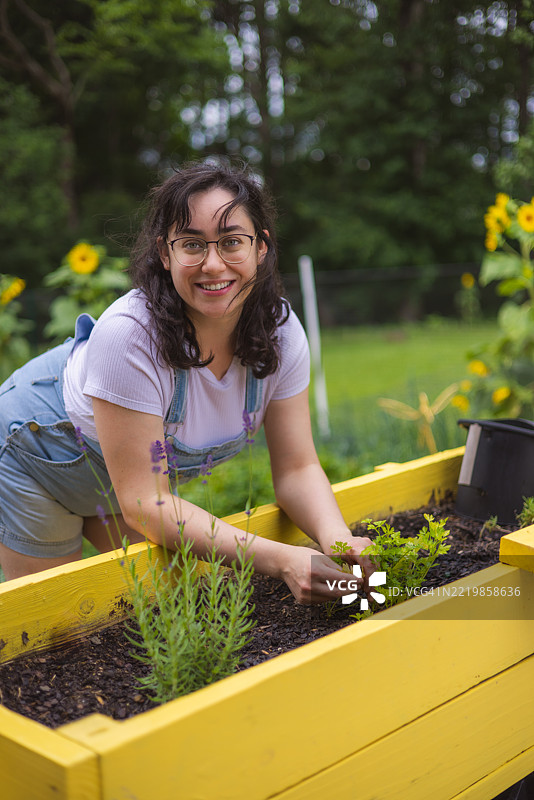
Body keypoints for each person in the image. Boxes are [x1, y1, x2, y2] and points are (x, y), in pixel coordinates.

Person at [0, 161, 374, 602]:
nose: (213, 265)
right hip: (35, 454)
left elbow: (298, 469)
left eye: (232, 241)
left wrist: (337, 539)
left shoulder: (281, 333)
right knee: (55, 629)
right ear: (165, 253)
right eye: (192, 244)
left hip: (132, 482)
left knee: (177, 608)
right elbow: (146, 503)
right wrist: (284, 559)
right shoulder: (129, 335)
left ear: (261, 248)